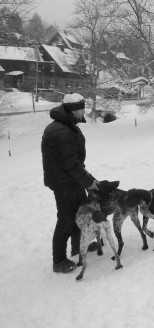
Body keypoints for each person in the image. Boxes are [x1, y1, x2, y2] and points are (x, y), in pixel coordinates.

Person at [42, 93, 97, 273]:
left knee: (78, 214)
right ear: (74, 110)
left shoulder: (66, 126)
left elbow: (73, 162)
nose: (84, 111)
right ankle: (58, 260)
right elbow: (69, 164)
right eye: (82, 108)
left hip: (71, 180)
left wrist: (86, 178)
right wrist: (89, 182)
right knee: (66, 219)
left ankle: (77, 247)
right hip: (64, 182)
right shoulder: (62, 131)